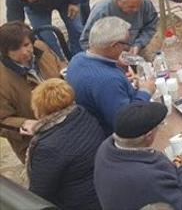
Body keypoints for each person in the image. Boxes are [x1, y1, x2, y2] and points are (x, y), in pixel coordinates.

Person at [93, 102, 182, 210]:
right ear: (149, 135)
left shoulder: (105, 147)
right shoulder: (147, 176)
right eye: (160, 125)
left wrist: (168, 167)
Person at [65, 17, 155, 134]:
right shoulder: (109, 80)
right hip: (109, 136)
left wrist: (115, 65)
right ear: (114, 46)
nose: (126, 49)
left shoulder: (77, 58)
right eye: (126, 44)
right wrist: (145, 92)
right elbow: (126, 122)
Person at [26, 78, 104, 210]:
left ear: (40, 110)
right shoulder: (81, 113)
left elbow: (40, 191)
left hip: (77, 203)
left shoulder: (48, 148)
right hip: (100, 188)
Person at [0, 22, 64, 162]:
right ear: (5, 52)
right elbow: (3, 121)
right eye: (15, 49)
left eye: (26, 45)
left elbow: (60, 66)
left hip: (66, 121)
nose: (24, 52)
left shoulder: (40, 47)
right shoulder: (2, 80)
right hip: (37, 142)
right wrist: (24, 124)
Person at [80, 0, 158, 56]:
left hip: (134, 52)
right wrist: (110, 56)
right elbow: (86, 42)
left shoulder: (145, 2)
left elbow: (151, 25)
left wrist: (139, 44)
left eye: (139, 5)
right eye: (131, 7)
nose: (136, 10)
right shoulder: (101, 11)